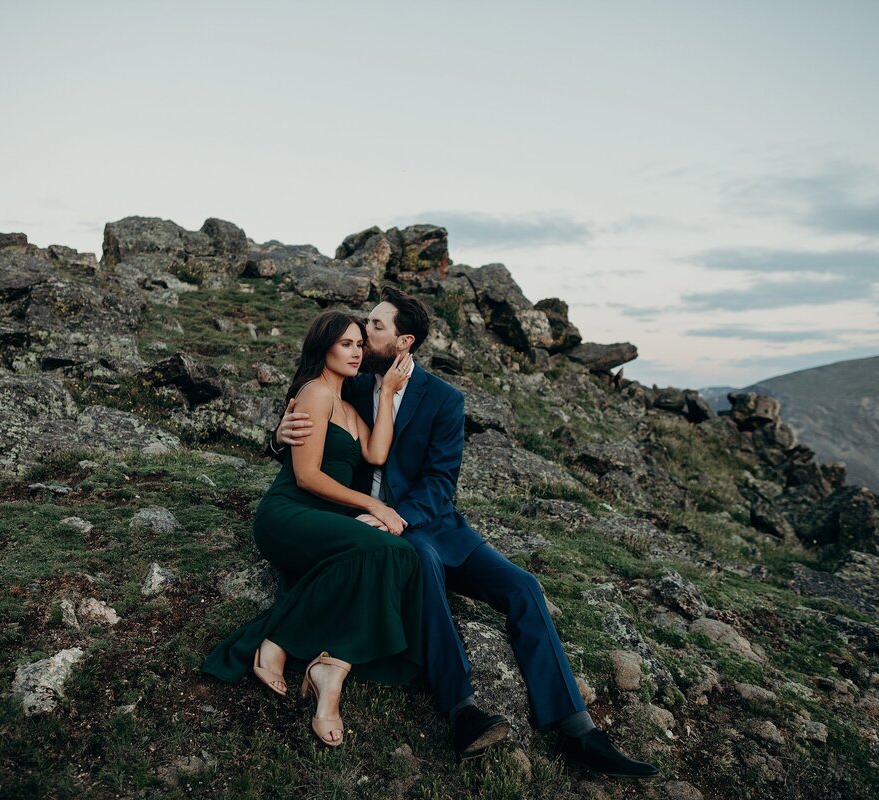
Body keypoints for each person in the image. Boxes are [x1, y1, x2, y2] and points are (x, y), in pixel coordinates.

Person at [271, 286, 658, 777]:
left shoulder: (444, 399)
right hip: (366, 523)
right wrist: (277, 436)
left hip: (430, 521)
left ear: (404, 341)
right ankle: (462, 711)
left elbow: (439, 482)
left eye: (375, 326)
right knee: (423, 566)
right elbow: (306, 431)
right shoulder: (346, 380)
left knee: (523, 586)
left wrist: (399, 515)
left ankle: (576, 728)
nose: (363, 334)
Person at [202, 310, 424, 748]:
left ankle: (309, 658)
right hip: (288, 513)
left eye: (361, 344)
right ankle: (279, 644)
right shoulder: (314, 394)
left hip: (324, 518)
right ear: (323, 347)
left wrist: (388, 394)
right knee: (387, 549)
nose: (357, 352)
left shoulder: (348, 405)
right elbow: (306, 477)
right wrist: (374, 505)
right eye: (346, 344)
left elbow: (377, 453)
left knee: (397, 552)